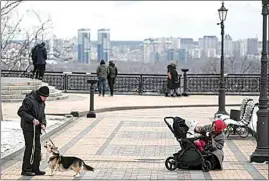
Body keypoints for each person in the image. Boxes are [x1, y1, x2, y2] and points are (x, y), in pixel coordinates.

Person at [17, 86, 50, 176]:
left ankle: (35, 168)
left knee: (37, 148)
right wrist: (32, 119)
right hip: (28, 127)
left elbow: (42, 115)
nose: (45, 99)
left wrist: (43, 123)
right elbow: (21, 112)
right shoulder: (29, 100)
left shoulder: (42, 102)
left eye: (46, 97)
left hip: (37, 128)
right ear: (40, 95)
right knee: (30, 147)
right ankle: (26, 169)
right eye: (44, 97)